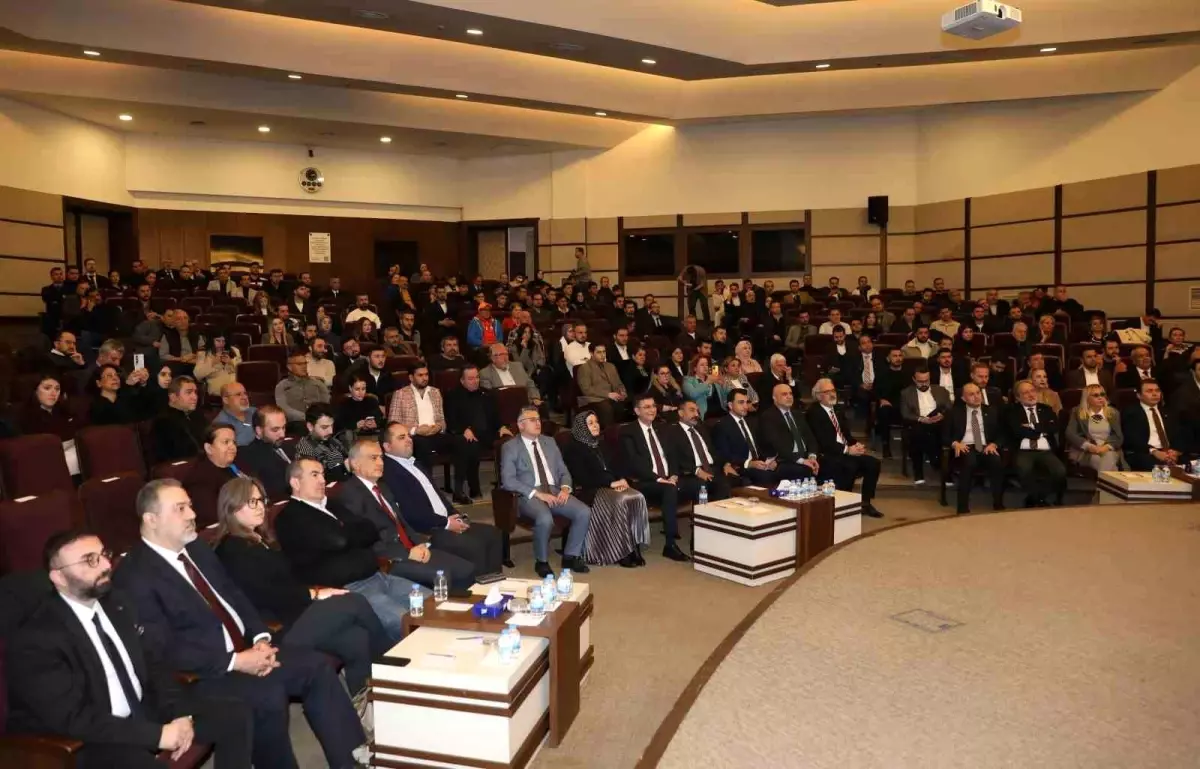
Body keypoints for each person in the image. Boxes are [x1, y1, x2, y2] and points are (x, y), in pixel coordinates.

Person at [113, 479, 368, 769]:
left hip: (244, 649)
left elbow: (233, 595)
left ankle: (354, 763)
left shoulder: (196, 548)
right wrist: (236, 661)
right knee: (267, 696)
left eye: (190, 506)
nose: (192, 515)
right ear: (151, 519)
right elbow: (162, 651)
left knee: (316, 667)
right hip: (201, 675)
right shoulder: (134, 577)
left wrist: (260, 637)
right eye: (180, 508)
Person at [6, 528, 253, 769]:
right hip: (89, 739)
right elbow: (74, 717)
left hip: (142, 711)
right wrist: (158, 735)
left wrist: (181, 713)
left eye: (103, 555)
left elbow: (154, 665)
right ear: (59, 577)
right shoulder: (36, 638)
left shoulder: (118, 603)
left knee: (233, 715)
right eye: (89, 560)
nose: (105, 565)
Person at [213, 476, 391, 702]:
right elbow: (265, 595)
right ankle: (395, 673)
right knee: (354, 601)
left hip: (297, 613)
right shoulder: (233, 548)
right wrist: (313, 594)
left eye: (261, 501)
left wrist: (311, 594)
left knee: (356, 640)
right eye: (252, 502)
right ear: (232, 507)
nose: (260, 507)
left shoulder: (259, 539)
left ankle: (367, 704)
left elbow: (287, 580)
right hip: (278, 628)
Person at [273, 458, 428, 642]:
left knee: (437, 605)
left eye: (322, 474)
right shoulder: (290, 516)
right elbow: (337, 540)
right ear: (295, 482)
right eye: (314, 475)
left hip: (380, 577)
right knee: (408, 624)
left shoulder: (333, 505)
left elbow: (371, 530)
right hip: (351, 589)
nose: (322, 480)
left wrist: (345, 534)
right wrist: (348, 534)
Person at [336, 438, 478, 590]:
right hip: (391, 559)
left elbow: (402, 523)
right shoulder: (350, 494)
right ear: (355, 463)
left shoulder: (383, 487)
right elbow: (366, 542)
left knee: (466, 569)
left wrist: (420, 543)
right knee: (444, 575)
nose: (380, 463)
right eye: (373, 458)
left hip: (410, 548)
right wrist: (407, 553)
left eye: (381, 458)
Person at [379, 423, 504, 573]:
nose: (409, 440)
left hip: (444, 520)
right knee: (475, 545)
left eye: (408, 436)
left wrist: (455, 515)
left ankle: (494, 582)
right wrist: (446, 523)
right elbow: (412, 513)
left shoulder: (415, 463)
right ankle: (480, 584)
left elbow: (438, 496)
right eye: (401, 437)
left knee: (493, 534)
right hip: (429, 530)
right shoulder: (390, 473)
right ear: (387, 447)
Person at [499, 408, 592, 577]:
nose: (538, 423)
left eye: (538, 419)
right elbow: (508, 481)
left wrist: (565, 488)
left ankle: (571, 556)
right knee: (545, 518)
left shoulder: (550, 442)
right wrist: (537, 494)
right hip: (528, 495)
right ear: (521, 425)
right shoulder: (510, 447)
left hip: (554, 490)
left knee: (583, 512)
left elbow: (563, 471)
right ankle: (541, 561)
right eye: (532, 420)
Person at [561, 411, 650, 567]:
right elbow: (582, 477)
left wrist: (622, 479)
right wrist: (610, 483)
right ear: (581, 427)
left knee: (637, 496)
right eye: (590, 423)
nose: (595, 425)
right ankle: (623, 551)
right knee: (621, 500)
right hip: (589, 489)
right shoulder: (573, 449)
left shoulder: (602, 444)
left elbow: (619, 465)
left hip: (610, 485)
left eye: (596, 422)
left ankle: (634, 546)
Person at [616, 395, 691, 562]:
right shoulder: (628, 432)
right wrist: (658, 479)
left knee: (702, 484)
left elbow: (673, 455)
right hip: (645, 482)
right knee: (670, 489)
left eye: (654, 406)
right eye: (647, 407)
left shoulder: (662, 428)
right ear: (637, 411)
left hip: (669, 479)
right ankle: (670, 545)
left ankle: (706, 534)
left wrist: (674, 474)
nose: (652, 410)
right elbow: (634, 462)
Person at [806, 378, 883, 517]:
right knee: (850, 465)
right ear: (818, 395)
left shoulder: (837, 410)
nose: (832, 394)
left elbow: (845, 435)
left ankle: (865, 503)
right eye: (827, 392)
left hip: (844, 451)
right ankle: (845, 503)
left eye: (833, 390)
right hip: (827, 454)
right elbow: (824, 441)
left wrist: (856, 445)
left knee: (873, 463)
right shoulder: (814, 412)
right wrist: (847, 450)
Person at [943, 383, 1006, 514]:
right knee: (969, 461)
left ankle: (998, 504)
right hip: (965, 446)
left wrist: (994, 444)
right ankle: (962, 507)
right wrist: (955, 443)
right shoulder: (954, 413)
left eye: (978, 393)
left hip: (986, 446)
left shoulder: (992, 411)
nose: (976, 397)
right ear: (963, 398)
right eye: (971, 394)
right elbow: (944, 436)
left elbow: (1002, 434)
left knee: (996, 461)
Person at [1005, 379, 1067, 507]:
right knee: (1024, 470)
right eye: (1025, 393)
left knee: (1060, 472)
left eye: (1032, 391)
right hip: (1024, 451)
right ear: (1018, 397)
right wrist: (1041, 430)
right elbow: (1017, 431)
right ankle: (1037, 499)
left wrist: (1031, 427)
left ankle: (1037, 498)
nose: (1031, 395)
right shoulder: (1012, 411)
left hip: (1045, 450)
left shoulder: (1046, 409)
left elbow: (1054, 427)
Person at [758, 382, 828, 482]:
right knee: (804, 470)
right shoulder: (769, 416)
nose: (789, 396)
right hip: (785, 459)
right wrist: (803, 461)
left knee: (829, 464)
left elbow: (810, 438)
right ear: (774, 398)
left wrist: (812, 457)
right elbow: (778, 445)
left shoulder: (797, 414)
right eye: (784, 394)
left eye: (790, 393)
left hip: (804, 455)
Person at [712, 388, 781, 487]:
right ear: (730, 405)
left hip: (759, 464)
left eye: (747, 402)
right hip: (740, 467)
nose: (745, 406)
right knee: (766, 476)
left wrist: (769, 460)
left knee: (782, 469)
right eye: (741, 402)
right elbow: (724, 455)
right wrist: (749, 463)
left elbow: (762, 445)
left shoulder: (753, 421)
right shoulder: (722, 426)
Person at [182, 424, 244, 528]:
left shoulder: (239, 463)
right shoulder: (200, 479)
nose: (232, 447)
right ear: (209, 448)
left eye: (234, 442)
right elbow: (212, 519)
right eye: (226, 442)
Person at [233, 405, 296, 501]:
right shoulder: (250, 455)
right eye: (275, 430)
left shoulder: (288, 446)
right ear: (259, 430)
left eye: (283, 428)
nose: (282, 434)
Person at [1121, 378, 1181, 471]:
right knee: (1157, 466)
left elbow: (1180, 434)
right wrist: (1154, 451)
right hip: (1144, 453)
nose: (1154, 394)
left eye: (1157, 391)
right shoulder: (1131, 413)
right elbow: (1132, 439)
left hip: (1168, 452)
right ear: (1139, 395)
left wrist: (1175, 451)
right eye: (1149, 391)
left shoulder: (1169, 411)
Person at [1065, 385, 1126, 472]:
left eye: (1102, 394)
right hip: (1087, 452)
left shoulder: (1113, 413)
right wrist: (1089, 446)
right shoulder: (1077, 412)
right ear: (1087, 398)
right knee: (1109, 464)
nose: (1100, 398)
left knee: (1109, 457)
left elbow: (1118, 436)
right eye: (1096, 395)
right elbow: (1070, 434)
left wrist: (1106, 447)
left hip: (1108, 450)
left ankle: (1103, 480)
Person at [151, 375, 206, 462]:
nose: (195, 397)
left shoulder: (197, 415)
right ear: (173, 397)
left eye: (195, 392)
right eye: (189, 392)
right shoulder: (164, 422)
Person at [296, 402, 350, 482]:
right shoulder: (305, 447)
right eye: (324, 427)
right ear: (310, 426)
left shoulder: (333, 441)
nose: (331, 431)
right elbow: (313, 479)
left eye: (332, 426)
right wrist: (342, 468)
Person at [576, 343, 627, 427]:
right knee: (606, 408)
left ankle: (619, 431)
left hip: (611, 397)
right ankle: (607, 432)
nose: (603, 355)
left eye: (604, 352)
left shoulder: (610, 366)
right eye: (599, 352)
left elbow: (619, 383)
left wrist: (622, 392)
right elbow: (586, 389)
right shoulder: (584, 368)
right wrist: (608, 394)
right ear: (591, 353)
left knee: (624, 404)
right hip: (593, 398)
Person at [275, 351, 331, 425]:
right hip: (295, 422)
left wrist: (317, 417)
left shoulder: (318, 383)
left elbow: (326, 402)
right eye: (299, 364)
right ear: (289, 367)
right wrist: (306, 417)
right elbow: (283, 408)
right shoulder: (281, 386)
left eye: (305, 363)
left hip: (317, 421)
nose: (304, 366)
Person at [480, 342, 543, 407]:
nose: (505, 358)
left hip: (525, 404)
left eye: (506, 354)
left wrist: (535, 398)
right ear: (493, 358)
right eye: (501, 355)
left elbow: (530, 384)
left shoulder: (518, 366)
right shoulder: (485, 373)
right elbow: (489, 397)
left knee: (543, 407)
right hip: (505, 406)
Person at [211, 382, 258, 447]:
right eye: (238, 394)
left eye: (245, 393)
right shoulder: (220, 423)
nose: (245, 397)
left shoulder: (254, 411)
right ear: (226, 400)